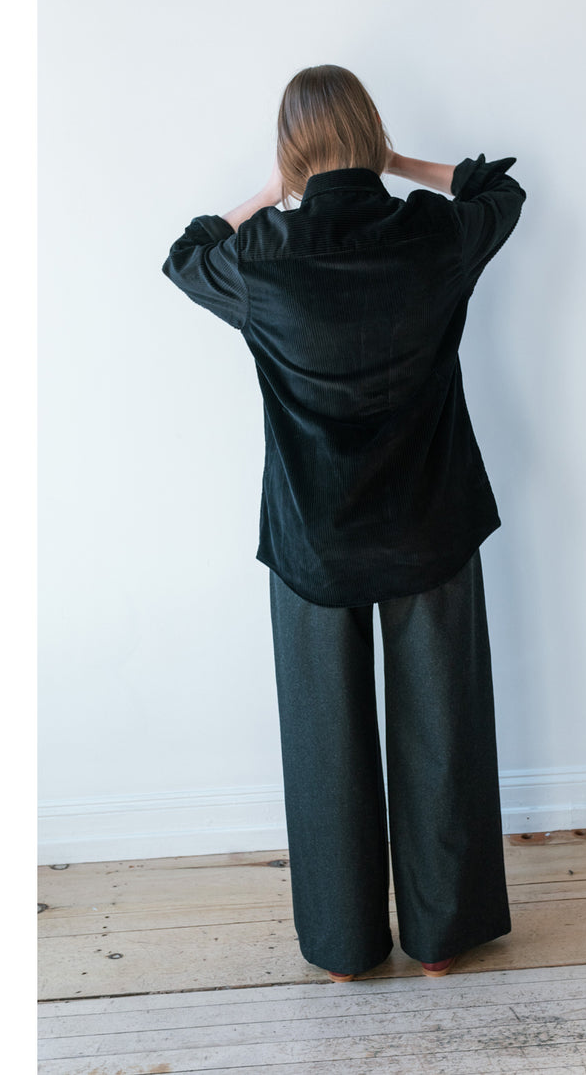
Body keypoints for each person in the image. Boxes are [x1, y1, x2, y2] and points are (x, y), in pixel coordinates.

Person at [162, 64, 526, 983]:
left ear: (292, 152)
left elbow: (186, 252)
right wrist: (396, 162)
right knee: (443, 731)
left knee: (324, 744)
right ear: (372, 133)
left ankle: (344, 948)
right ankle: (443, 939)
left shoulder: (259, 260)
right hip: (429, 522)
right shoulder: (433, 234)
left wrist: (273, 188)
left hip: (312, 540)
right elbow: (499, 190)